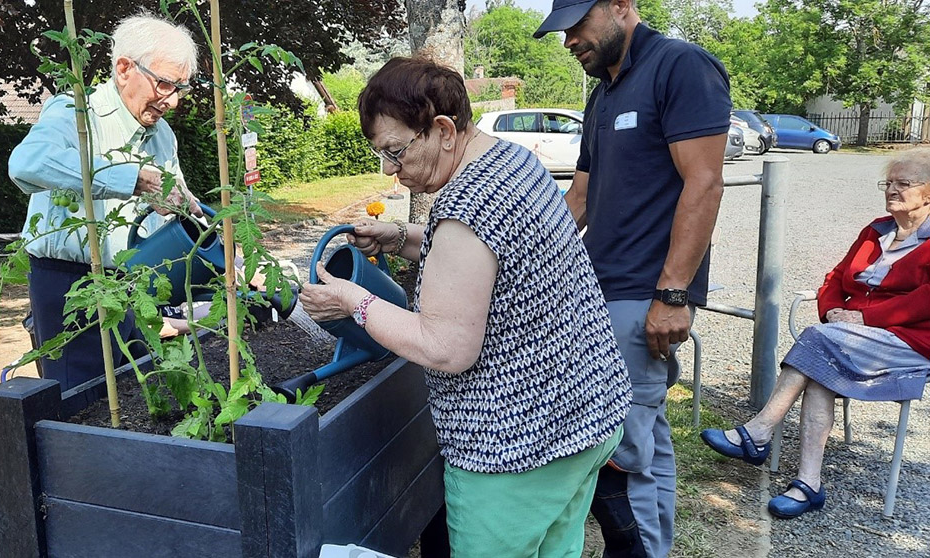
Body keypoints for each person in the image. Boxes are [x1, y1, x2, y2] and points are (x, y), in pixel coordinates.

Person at [299, 56, 631, 557]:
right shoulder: (511, 160)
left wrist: (352, 298)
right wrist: (398, 236)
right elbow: (486, 258)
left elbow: (446, 347)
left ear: (443, 129)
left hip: (517, 451)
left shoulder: (466, 206)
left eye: (396, 152)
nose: (390, 171)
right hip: (586, 415)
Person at [534, 0, 731, 555]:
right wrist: (512, 251)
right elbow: (578, 197)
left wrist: (672, 294)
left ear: (621, 6)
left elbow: (705, 184)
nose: (569, 40)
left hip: (644, 293)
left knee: (621, 457)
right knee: (645, 442)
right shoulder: (603, 94)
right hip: (599, 288)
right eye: (562, 30)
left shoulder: (680, 67)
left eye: (577, 26)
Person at [701, 149, 930, 519]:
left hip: (910, 343)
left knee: (819, 340)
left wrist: (862, 318)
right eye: (888, 183)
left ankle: (759, 432)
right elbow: (835, 278)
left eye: (904, 184)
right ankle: (808, 484)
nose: (892, 190)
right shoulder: (877, 230)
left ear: (929, 193)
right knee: (821, 366)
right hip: (850, 337)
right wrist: (834, 310)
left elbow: (925, 301)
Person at [8, 14, 200, 392]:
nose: (173, 101)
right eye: (164, 84)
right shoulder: (77, 113)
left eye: (181, 88)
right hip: (70, 285)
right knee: (84, 402)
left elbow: (173, 206)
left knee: (140, 392)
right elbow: (26, 164)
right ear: (125, 68)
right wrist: (132, 179)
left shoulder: (162, 136)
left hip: (134, 283)